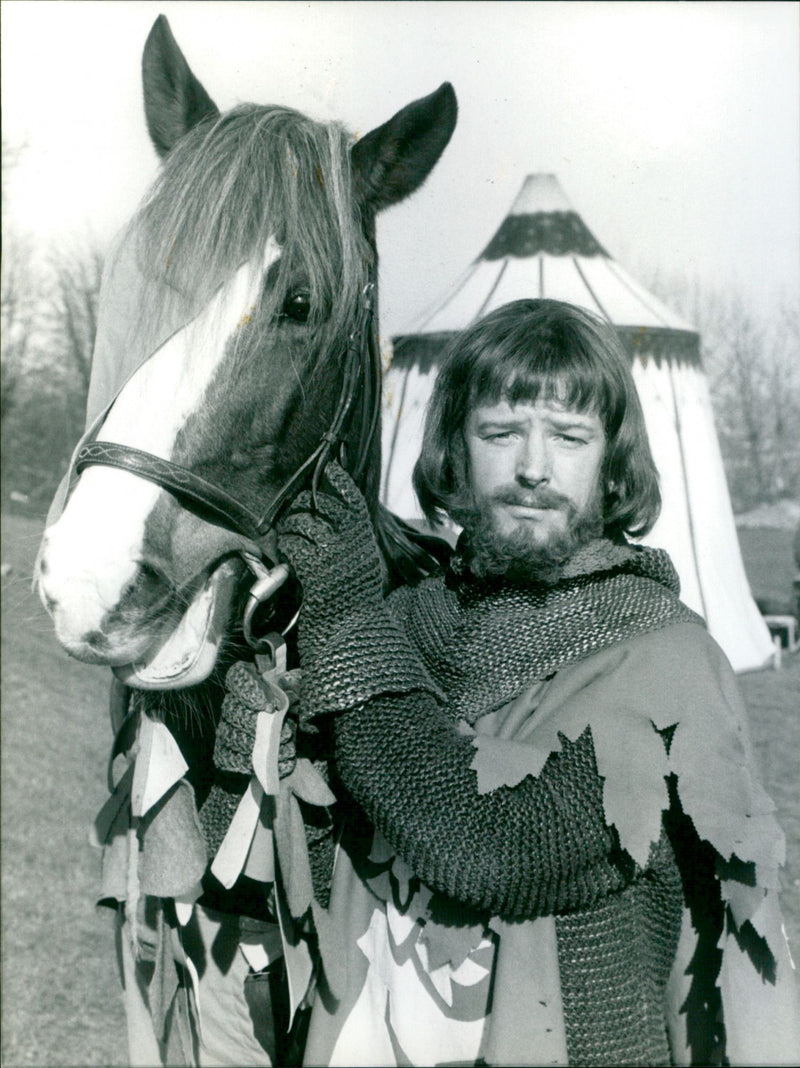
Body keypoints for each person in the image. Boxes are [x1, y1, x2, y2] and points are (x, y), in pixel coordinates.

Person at [276, 299, 800, 1066]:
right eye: (500, 432)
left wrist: (350, 634)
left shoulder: (665, 659)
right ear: (455, 453)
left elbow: (497, 847)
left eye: (569, 437)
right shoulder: (411, 622)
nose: (532, 466)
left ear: (613, 465)